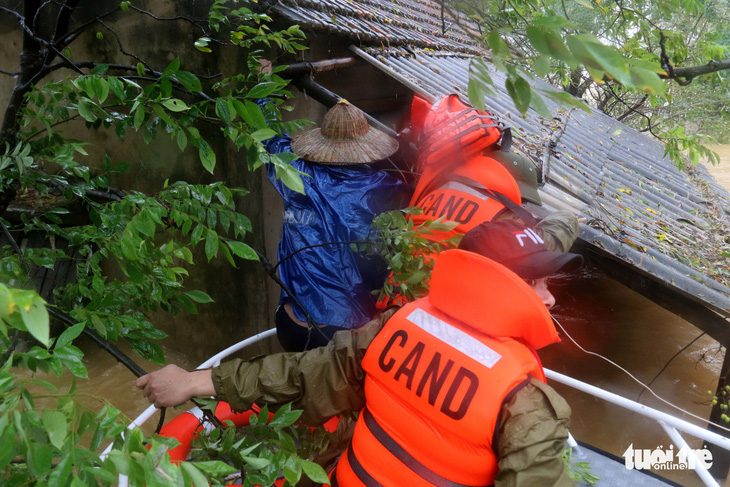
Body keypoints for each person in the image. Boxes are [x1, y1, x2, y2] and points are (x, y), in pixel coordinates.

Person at [137, 219, 583, 486]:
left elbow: (306, 372)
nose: (549, 300)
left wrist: (197, 381)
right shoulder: (523, 401)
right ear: (503, 288)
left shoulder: (397, 327)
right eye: (538, 284)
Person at [265, 99, 409, 352]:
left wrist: (263, 90)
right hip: (346, 332)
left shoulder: (293, 171)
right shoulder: (385, 188)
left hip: (291, 324)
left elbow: (268, 136)